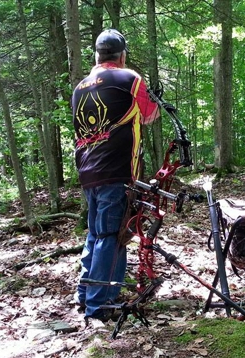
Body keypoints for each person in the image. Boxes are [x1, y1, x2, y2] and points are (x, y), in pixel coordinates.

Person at [71, 29, 159, 322]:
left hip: (88, 171)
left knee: (96, 234)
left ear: (97, 55)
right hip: (116, 170)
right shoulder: (129, 79)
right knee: (112, 235)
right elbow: (148, 115)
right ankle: (99, 306)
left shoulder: (80, 87)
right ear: (122, 56)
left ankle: (86, 295)